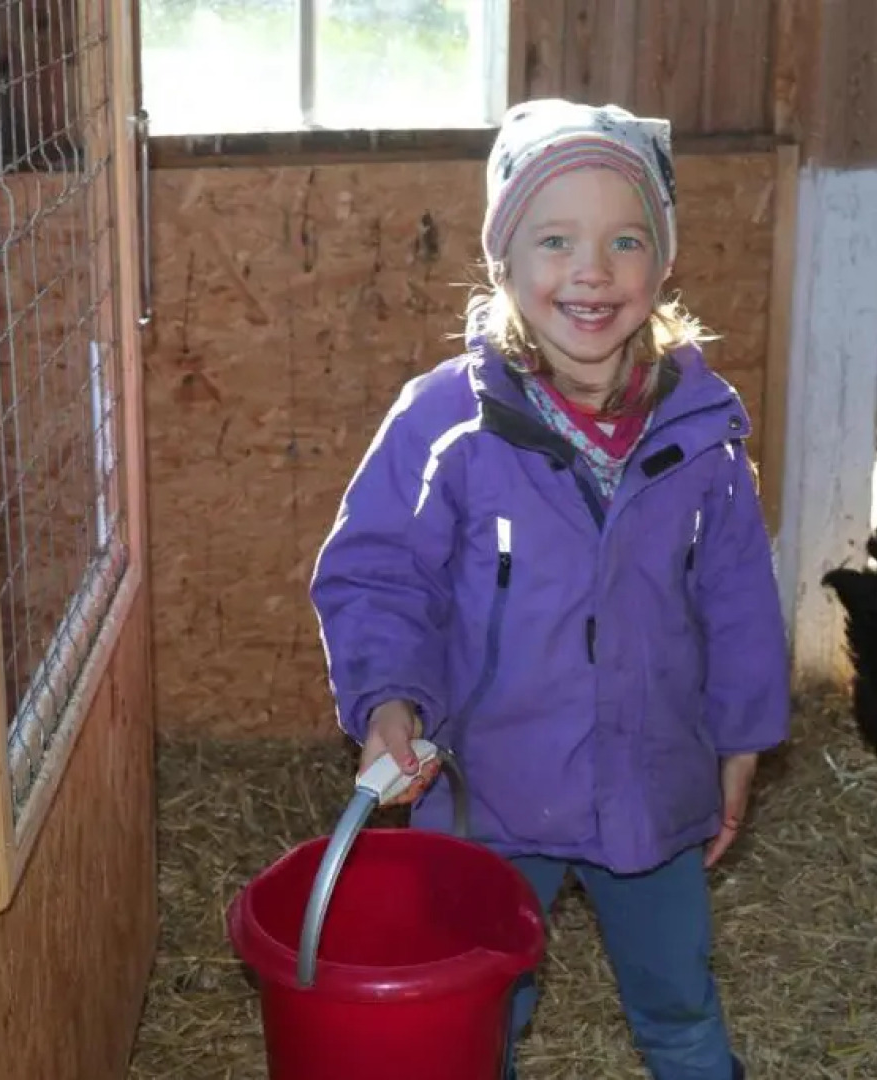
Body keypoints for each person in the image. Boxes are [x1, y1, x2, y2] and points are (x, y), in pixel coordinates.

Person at [307, 97, 791, 1080]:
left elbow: (738, 593)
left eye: (624, 239)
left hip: (651, 788)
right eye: (553, 239)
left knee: (678, 1004)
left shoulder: (699, 428)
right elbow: (376, 572)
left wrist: (742, 739)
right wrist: (388, 699)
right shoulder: (448, 422)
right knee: (482, 1013)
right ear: (505, 261)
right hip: (490, 792)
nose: (591, 271)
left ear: (660, 262)